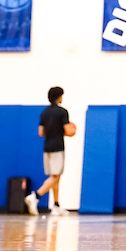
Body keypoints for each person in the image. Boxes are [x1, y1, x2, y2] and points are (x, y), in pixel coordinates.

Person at [26, 86, 74, 216]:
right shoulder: (63, 112)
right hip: (58, 147)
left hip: (47, 147)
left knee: (54, 177)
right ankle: (35, 196)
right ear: (59, 97)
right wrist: (72, 130)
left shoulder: (44, 113)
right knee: (55, 177)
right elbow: (69, 131)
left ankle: (56, 205)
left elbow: (41, 133)